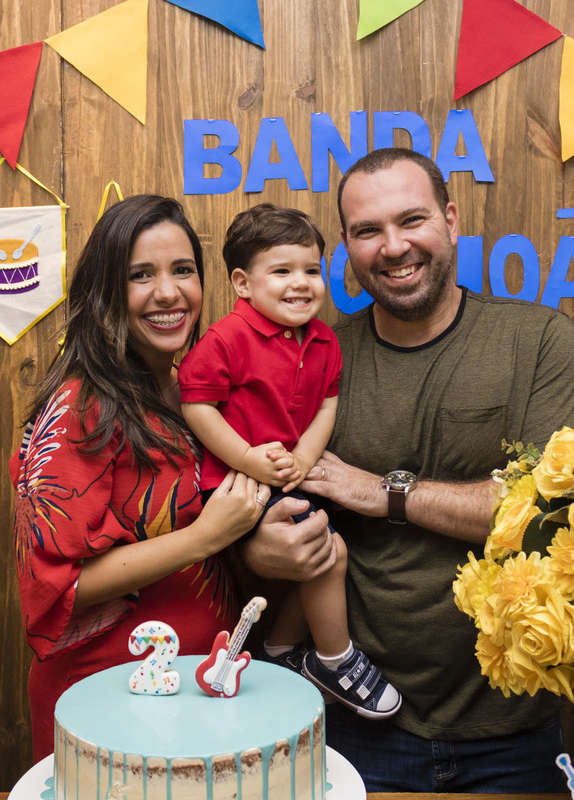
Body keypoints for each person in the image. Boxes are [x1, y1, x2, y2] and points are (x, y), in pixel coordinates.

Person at [241, 148, 574, 793]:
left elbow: (568, 512)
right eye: (366, 231)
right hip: (355, 724)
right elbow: (263, 497)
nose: (393, 246)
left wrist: (384, 492)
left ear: (452, 220)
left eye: (411, 220)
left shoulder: (537, 341)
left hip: (512, 728)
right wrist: (263, 548)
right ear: (347, 250)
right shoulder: (317, 361)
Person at [11, 195, 269, 761]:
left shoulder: (191, 393)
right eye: (140, 276)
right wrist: (207, 536)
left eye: (183, 270)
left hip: (204, 692)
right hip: (111, 704)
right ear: (105, 291)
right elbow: (55, 586)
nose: (169, 292)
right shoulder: (81, 406)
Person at [178, 203, 400, 719]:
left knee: (327, 549)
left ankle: (278, 651)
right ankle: (334, 658)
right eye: (282, 271)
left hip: (292, 472)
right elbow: (197, 405)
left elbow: (327, 402)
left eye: (311, 270)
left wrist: (305, 454)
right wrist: (249, 459)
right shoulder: (226, 337)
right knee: (329, 553)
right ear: (242, 283)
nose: (301, 283)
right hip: (240, 484)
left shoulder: (323, 340)